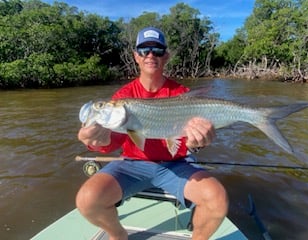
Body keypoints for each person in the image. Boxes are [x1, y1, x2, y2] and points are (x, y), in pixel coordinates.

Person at [76, 26, 228, 240]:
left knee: (217, 199)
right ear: (136, 56)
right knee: (87, 199)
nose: (150, 55)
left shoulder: (182, 94)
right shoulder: (123, 96)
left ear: (165, 56)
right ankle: (118, 235)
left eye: (156, 50)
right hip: (131, 164)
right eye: (144, 50)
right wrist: (94, 142)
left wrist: (197, 144)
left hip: (176, 165)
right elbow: (112, 142)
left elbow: (188, 143)